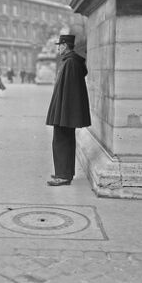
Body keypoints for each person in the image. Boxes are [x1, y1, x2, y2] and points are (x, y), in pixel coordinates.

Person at [45, 35, 91, 186]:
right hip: (65, 110)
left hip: (65, 111)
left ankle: (63, 175)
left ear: (65, 46)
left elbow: (69, 91)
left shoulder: (70, 62)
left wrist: (63, 113)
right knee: (65, 140)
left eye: (59, 45)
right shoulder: (71, 61)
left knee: (61, 140)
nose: (58, 48)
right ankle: (65, 173)